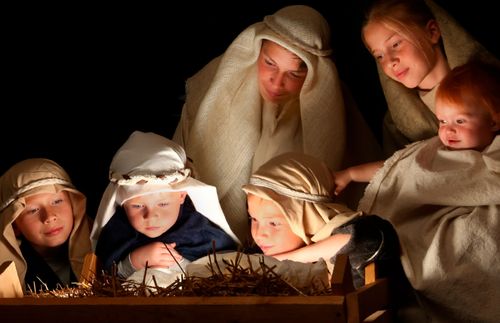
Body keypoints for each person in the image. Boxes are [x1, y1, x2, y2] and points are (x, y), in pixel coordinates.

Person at [173, 5, 382, 243]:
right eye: (270, 63)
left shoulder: (333, 114)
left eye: (293, 74)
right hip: (213, 244)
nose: (277, 82)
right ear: (256, 52)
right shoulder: (215, 96)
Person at [336, 60, 500, 322]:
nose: (448, 130)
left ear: (493, 121)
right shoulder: (434, 151)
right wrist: (351, 174)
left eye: (460, 120)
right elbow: (396, 168)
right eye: (442, 120)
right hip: (419, 227)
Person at [241, 152, 409, 294]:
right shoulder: (263, 251)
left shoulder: (353, 233)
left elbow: (364, 237)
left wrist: (283, 260)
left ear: (307, 217)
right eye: (254, 219)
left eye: (273, 223)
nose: (259, 233)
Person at [91, 131, 239, 279]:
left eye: (162, 204)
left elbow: (225, 272)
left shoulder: (201, 231)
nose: (151, 216)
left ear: (181, 196)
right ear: (122, 203)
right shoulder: (116, 233)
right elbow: (105, 278)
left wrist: (180, 263)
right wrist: (135, 261)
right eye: (137, 206)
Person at [362, 0, 499, 156]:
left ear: (432, 32)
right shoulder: (396, 125)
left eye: (396, 44)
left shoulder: (488, 88)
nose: (390, 62)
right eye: (379, 56)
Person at [0, 158, 92, 291]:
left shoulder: (105, 252)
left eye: (57, 201)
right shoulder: (6, 277)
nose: (49, 217)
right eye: (33, 210)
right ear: (13, 226)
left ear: (74, 205)